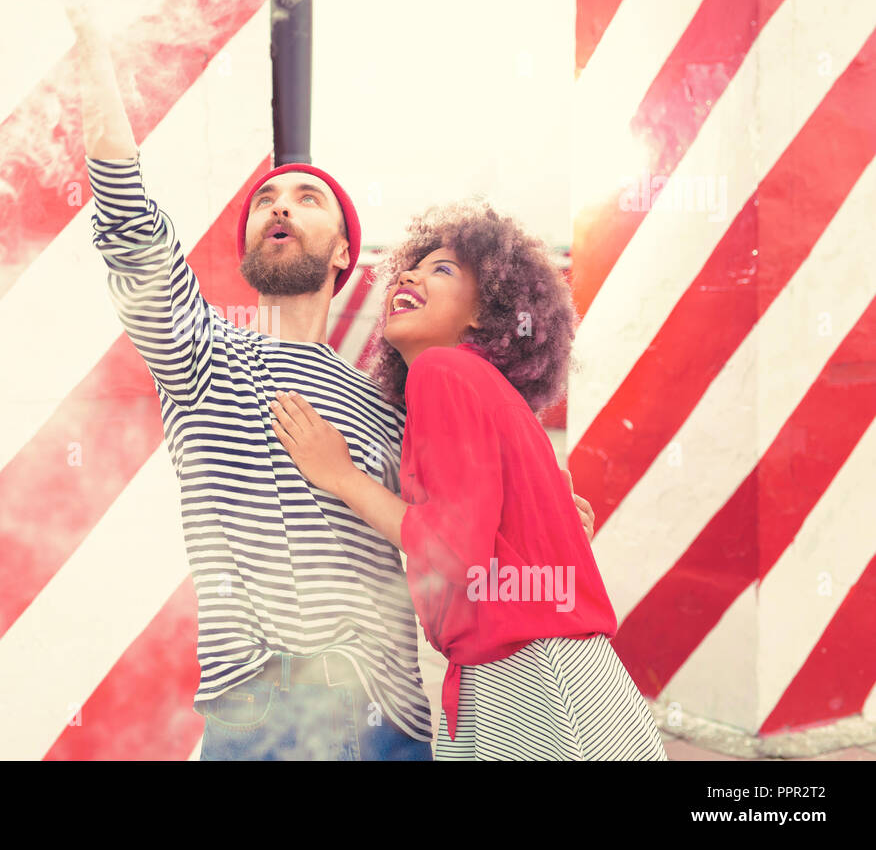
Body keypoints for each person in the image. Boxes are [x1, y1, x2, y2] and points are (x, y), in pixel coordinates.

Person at [66, 0, 597, 759]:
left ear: (346, 253)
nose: (279, 206)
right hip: (271, 713)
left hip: (402, 723)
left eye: (306, 198)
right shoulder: (200, 350)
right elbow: (127, 220)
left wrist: (541, 525)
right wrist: (92, 35)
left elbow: (449, 542)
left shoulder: (393, 405)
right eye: (265, 202)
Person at [271, 198, 668, 760]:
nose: (408, 274)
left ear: (485, 312)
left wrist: (340, 475)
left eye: (443, 268)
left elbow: (452, 552)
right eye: (410, 267)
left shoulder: (443, 370)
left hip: (532, 682)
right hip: (535, 676)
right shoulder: (492, 398)